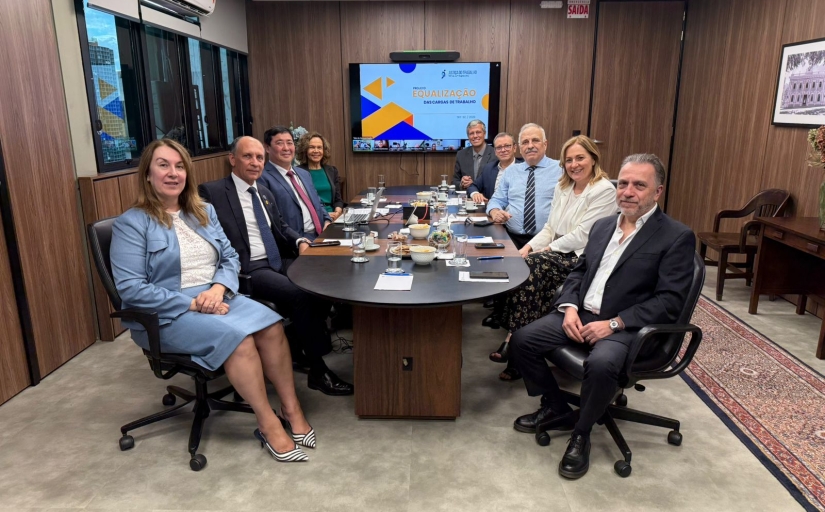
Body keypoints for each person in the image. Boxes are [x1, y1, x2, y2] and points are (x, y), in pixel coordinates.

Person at [110, 139, 314, 463]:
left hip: (217, 295)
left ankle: (292, 409)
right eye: (163, 165)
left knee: (272, 326)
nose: (173, 173)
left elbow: (230, 258)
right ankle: (268, 423)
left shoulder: (203, 211)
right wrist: (193, 304)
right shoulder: (131, 223)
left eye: (179, 166)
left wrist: (218, 289)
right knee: (240, 340)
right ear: (147, 174)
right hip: (167, 314)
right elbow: (131, 289)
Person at [509, 153, 696, 480]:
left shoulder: (676, 236)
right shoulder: (603, 226)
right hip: (581, 314)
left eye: (639, 185)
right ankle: (554, 405)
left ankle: (581, 433)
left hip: (629, 328)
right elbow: (578, 272)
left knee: (600, 364)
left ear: (658, 191)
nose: (628, 192)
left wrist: (615, 323)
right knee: (522, 341)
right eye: (623, 183)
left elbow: (670, 301)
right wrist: (568, 307)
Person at [199, 136, 354, 396]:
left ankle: (299, 346)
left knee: (323, 282)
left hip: (277, 259)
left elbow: (280, 226)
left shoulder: (263, 191)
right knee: (301, 294)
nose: (255, 162)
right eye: (248, 156)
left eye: (259, 158)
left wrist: (300, 241)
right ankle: (318, 371)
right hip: (248, 268)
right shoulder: (213, 192)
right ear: (232, 159)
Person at [490, 135, 618, 381]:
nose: (574, 164)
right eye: (569, 160)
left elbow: (583, 235)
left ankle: (515, 344)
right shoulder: (563, 186)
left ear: (593, 158)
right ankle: (518, 344)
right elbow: (550, 227)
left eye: (580, 158)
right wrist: (528, 247)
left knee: (532, 267)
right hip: (558, 251)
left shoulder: (604, 190)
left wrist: (547, 249)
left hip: (582, 257)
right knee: (519, 262)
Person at [486, 123, 562, 249]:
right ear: (520, 148)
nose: (530, 146)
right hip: (511, 238)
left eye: (535, 140)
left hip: (546, 242)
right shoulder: (511, 171)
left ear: (545, 144)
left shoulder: (561, 169)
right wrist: (495, 212)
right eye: (525, 142)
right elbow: (496, 200)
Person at [259, 126, 332, 240]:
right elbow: (274, 219)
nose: (286, 148)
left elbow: (318, 203)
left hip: (322, 234)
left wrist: (327, 220)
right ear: (267, 148)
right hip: (296, 241)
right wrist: (299, 241)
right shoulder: (262, 178)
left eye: (289, 143)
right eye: (279, 143)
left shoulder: (304, 174)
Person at [295, 132, 345, 221]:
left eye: (319, 147)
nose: (316, 151)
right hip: (312, 219)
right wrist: (325, 215)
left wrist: (337, 213)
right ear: (305, 150)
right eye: (312, 147)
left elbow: (338, 200)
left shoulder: (332, 170)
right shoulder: (297, 172)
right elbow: (300, 204)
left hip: (334, 218)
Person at [467, 132, 522, 204]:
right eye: (499, 147)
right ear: (495, 152)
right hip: (492, 209)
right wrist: (475, 194)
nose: (503, 150)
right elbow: (473, 186)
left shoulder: (524, 168)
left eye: (507, 146)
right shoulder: (489, 168)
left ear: (514, 148)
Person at [452, 119, 495, 189]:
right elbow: (454, 181)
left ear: (484, 134)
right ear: (468, 136)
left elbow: (497, 182)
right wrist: (461, 183)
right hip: (467, 195)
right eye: (471, 133)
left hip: (487, 195)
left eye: (478, 132)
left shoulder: (495, 154)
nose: (475, 136)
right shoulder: (461, 155)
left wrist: (474, 184)